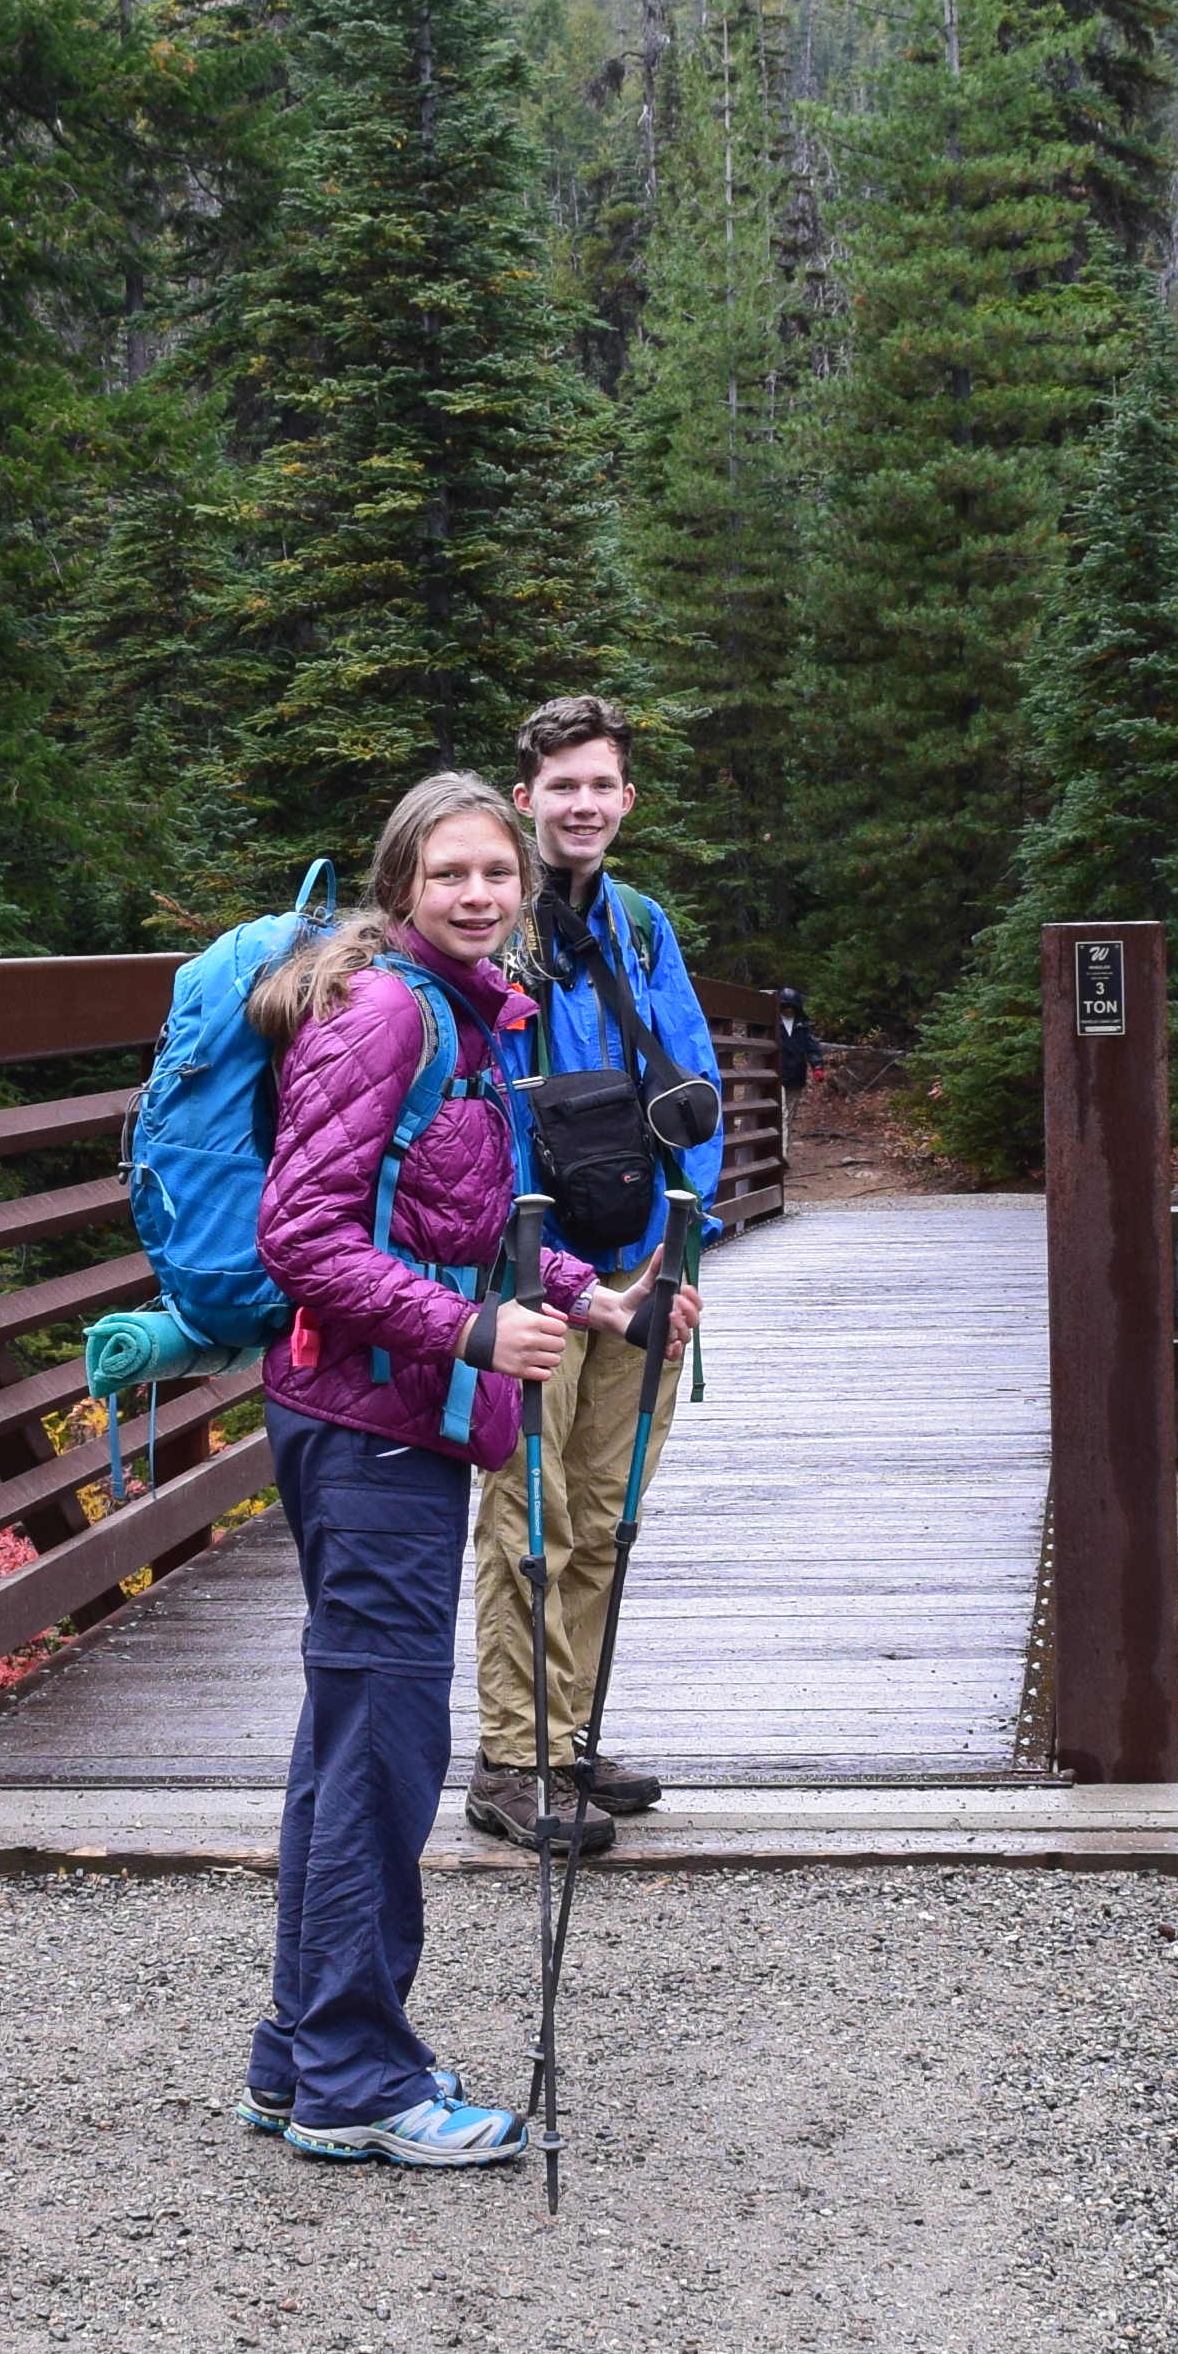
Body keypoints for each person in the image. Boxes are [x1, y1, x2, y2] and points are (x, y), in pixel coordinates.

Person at [233, 772, 686, 2166]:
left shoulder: (466, 1016)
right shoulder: (381, 1014)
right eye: (450, 876)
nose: (480, 894)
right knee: (381, 1748)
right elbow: (301, 1236)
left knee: (348, 1741)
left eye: (497, 872)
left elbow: (468, 1216)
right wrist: (472, 1329)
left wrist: (585, 1292)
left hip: (401, 1412)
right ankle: (359, 2081)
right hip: (369, 1418)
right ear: (400, 888)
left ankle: (298, 2053)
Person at [469, 695, 725, 1855]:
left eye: (600, 786)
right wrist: (543, 1265)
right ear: (526, 797)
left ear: (627, 799)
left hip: (639, 1260)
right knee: (535, 1514)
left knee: (607, 1514)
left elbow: (693, 1089)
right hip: (530, 1266)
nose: (581, 805)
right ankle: (512, 1758)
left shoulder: (641, 928)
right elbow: (474, 1112)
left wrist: (681, 1248)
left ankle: (568, 1740)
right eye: (560, 786)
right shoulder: (493, 920)